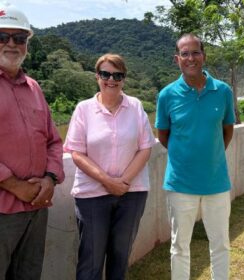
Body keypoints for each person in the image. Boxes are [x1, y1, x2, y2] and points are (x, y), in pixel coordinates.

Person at [64, 53, 156, 280]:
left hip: (131, 194)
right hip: (92, 195)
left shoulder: (135, 107)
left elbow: (145, 147)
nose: (111, 79)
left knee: (120, 256)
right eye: (105, 74)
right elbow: (76, 153)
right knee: (91, 259)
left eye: (117, 75)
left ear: (124, 78)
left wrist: (123, 182)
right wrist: (108, 182)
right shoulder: (83, 109)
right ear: (97, 76)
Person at [155, 33, 235, 280]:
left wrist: (209, 158)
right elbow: (164, 135)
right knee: (180, 247)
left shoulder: (223, 91)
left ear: (204, 56)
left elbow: (227, 130)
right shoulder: (167, 95)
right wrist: (186, 159)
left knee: (220, 243)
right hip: (180, 184)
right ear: (176, 58)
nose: (191, 58)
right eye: (185, 53)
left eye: (195, 52)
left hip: (216, 183)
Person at [0, 2, 65, 280]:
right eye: (3, 37)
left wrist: (50, 178)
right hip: (3, 208)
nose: (12, 44)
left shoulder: (34, 88)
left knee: (28, 274)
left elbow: (53, 140)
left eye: (20, 38)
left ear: (27, 43)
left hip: (37, 206)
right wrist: (14, 185)